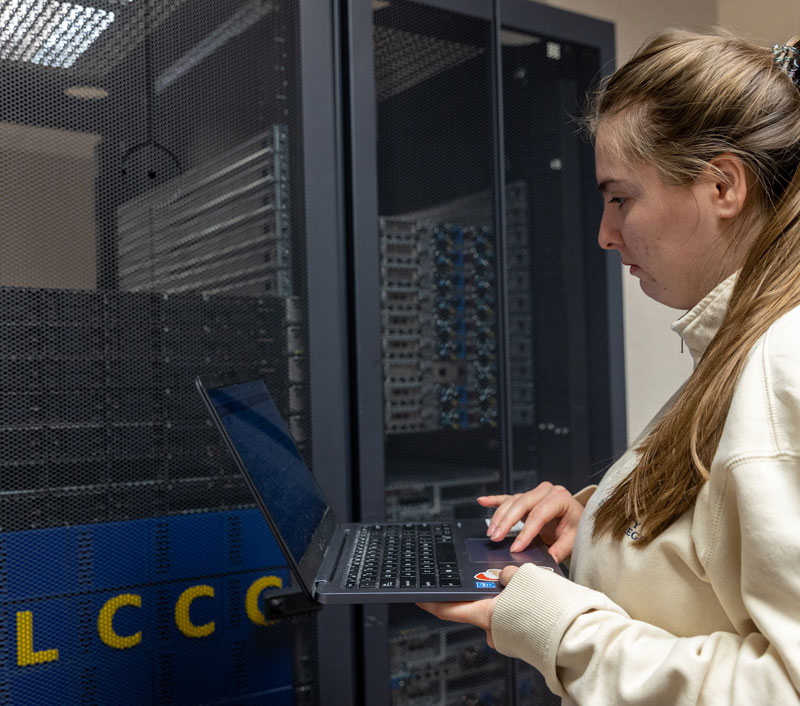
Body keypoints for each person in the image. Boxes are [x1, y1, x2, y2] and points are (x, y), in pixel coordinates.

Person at [418, 28, 800, 705]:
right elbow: (719, 546)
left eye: (621, 197)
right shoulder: (740, 344)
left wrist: (559, 630)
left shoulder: (782, 362)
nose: (604, 232)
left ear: (723, 185)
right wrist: (596, 524)